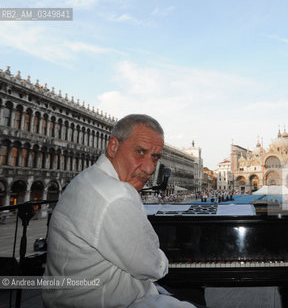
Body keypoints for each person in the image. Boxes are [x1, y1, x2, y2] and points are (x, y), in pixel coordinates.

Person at [43, 114, 196, 308]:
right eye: (140, 152)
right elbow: (153, 267)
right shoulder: (116, 195)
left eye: (155, 157)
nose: (149, 168)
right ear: (113, 147)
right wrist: (160, 257)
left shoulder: (87, 178)